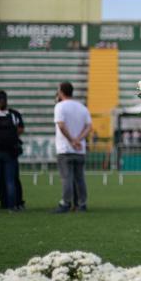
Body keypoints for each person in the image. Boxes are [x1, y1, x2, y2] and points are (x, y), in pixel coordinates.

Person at [53, 81, 92, 213]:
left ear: (61, 92)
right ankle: (82, 204)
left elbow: (61, 125)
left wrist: (71, 140)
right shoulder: (82, 107)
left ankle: (66, 203)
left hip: (65, 148)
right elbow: (89, 127)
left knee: (66, 178)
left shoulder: (60, 107)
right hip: (80, 149)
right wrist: (79, 140)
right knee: (80, 179)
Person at [0, 90, 23, 213]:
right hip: (10, 151)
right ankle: (12, 207)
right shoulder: (13, 115)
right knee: (10, 180)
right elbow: (18, 130)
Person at [0, 105, 26, 210]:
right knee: (12, 178)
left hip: (1, 149)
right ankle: (15, 202)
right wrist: (12, 136)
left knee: (5, 178)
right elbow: (21, 129)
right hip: (11, 148)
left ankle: (8, 202)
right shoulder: (14, 114)